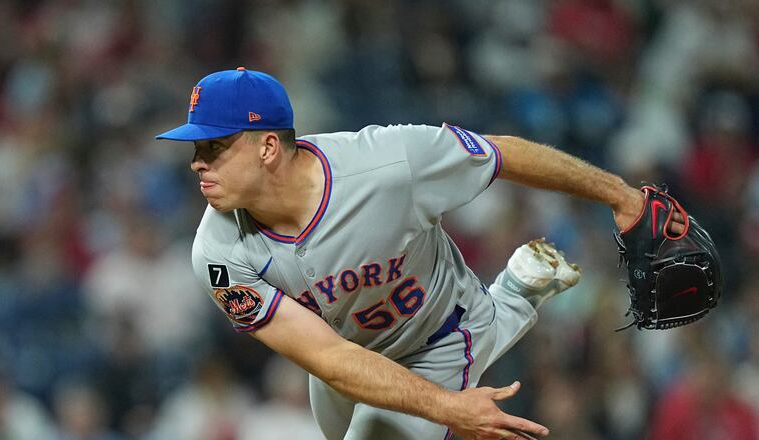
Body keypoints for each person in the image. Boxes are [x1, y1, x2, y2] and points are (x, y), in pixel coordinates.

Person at [156, 68, 682, 440]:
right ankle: (517, 291)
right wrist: (454, 412)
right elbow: (333, 361)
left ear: (268, 147)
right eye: (197, 149)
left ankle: (504, 304)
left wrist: (623, 197)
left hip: (437, 336)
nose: (198, 163)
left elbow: (501, 154)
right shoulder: (218, 251)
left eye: (214, 146)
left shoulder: (388, 163)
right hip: (348, 358)